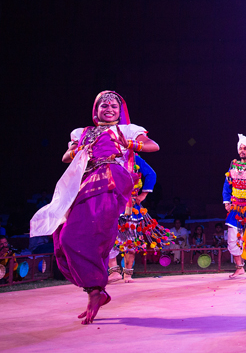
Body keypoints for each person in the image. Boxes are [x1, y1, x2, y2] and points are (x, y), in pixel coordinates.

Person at [30, 91, 159, 324]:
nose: (109, 109)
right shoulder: (82, 133)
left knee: (90, 233)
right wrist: (77, 151)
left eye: (114, 106)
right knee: (65, 238)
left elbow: (153, 146)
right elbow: (65, 158)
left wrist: (129, 143)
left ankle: (99, 285)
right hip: (85, 182)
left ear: (120, 112)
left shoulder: (126, 130)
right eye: (104, 105)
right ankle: (94, 291)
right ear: (96, 109)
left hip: (111, 179)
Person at [108, 154, 174, 283]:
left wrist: (143, 194)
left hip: (130, 206)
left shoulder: (133, 158)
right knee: (109, 239)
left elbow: (151, 174)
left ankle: (127, 274)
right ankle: (114, 272)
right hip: (112, 203)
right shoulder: (106, 157)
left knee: (131, 240)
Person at [223, 134, 246, 278]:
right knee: (233, 238)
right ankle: (239, 267)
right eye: (240, 149)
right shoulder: (233, 165)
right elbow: (227, 185)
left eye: (245, 148)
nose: (242, 151)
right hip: (236, 207)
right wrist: (227, 201)